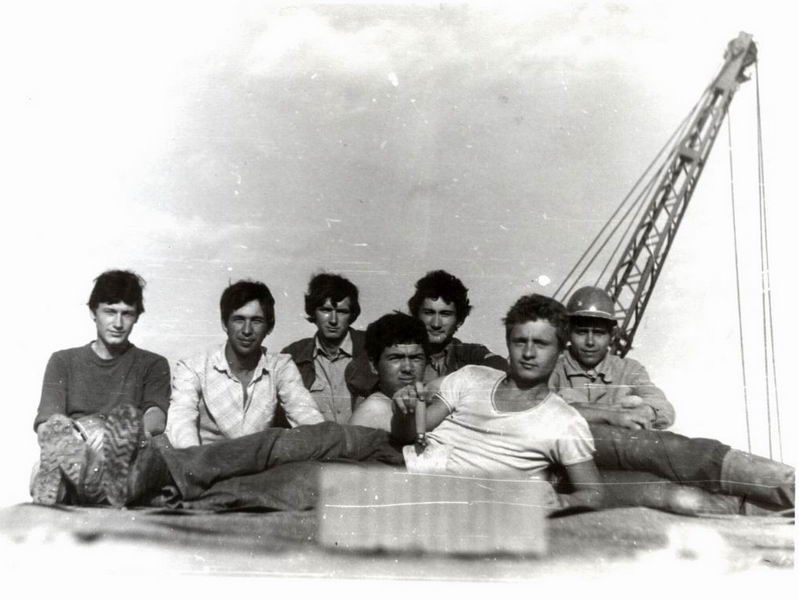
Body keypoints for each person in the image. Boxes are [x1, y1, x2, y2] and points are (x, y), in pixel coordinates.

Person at [549, 285, 795, 514]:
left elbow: (663, 408)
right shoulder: (552, 371)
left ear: (612, 335)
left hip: (630, 460)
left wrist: (646, 411)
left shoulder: (628, 369)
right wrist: (612, 414)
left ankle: (786, 491)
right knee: (676, 497)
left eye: (599, 333)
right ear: (568, 332)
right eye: (582, 332)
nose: (590, 342)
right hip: (576, 470)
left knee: (686, 479)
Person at [351, 304, 604, 511]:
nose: (528, 353)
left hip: (462, 504)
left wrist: (563, 501)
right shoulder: (472, 376)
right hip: (407, 469)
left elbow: (593, 493)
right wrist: (406, 411)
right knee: (333, 448)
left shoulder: (564, 421)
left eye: (540, 343)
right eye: (519, 342)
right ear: (508, 343)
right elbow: (414, 432)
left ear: (560, 351)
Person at [32, 270, 171, 505]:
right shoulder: (63, 361)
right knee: (56, 444)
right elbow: (47, 423)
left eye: (127, 314)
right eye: (110, 312)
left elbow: (156, 418)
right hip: (79, 447)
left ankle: (90, 485)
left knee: (158, 452)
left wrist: (119, 438)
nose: (118, 323)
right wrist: (82, 444)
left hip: (129, 451)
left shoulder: (153, 364)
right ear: (93, 312)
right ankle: (96, 484)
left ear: (137, 316)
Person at [165, 280, 324, 448]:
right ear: (224, 324)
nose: (247, 330)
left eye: (256, 321)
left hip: (260, 462)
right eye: (239, 320)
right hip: (205, 461)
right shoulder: (193, 367)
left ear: (269, 327)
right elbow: (181, 420)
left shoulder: (280, 366)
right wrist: (193, 458)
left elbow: (307, 415)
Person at [280, 273, 374, 424]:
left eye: (342, 312)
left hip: (365, 437)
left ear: (352, 315)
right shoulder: (294, 355)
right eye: (325, 310)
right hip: (315, 438)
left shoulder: (371, 347)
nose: (333, 320)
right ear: (313, 312)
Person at [407, 270, 507, 381]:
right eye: (429, 313)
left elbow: (502, 368)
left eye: (445, 314)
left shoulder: (470, 354)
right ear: (416, 316)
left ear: (459, 321)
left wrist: (449, 382)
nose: (436, 324)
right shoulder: (401, 352)